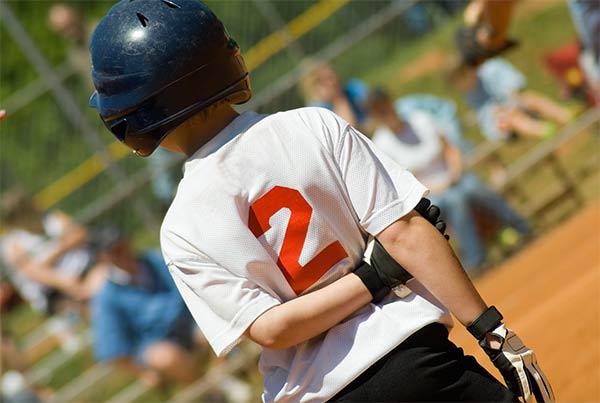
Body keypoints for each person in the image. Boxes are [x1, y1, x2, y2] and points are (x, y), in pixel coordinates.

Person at [88, 1, 554, 402]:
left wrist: (376, 275)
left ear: (133, 116)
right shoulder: (312, 126)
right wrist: (494, 336)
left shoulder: (180, 226)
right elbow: (408, 234)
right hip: (419, 361)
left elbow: (271, 329)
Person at [366, 88, 531, 273]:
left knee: (475, 188)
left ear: (392, 103)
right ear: (374, 116)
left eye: (386, 107)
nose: (386, 113)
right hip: (426, 194)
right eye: (379, 111)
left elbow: (449, 147)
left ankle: (523, 229)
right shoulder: (381, 143)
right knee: (456, 201)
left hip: (455, 177)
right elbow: (402, 181)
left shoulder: (419, 119)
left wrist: (455, 171)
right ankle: (477, 260)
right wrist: (438, 186)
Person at [89, 232, 202, 387]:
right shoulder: (107, 297)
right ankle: (212, 394)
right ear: (104, 258)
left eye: (121, 246)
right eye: (113, 251)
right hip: (154, 343)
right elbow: (111, 347)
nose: (121, 253)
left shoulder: (157, 259)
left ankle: (224, 379)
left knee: (208, 330)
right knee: (166, 358)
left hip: (189, 322)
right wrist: (142, 373)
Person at [450, 56, 574, 141]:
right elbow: (485, 115)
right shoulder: (469, 95)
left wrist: (513, 101)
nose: (462, 87)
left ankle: (565, 114)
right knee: (511, 117)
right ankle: (542, 130)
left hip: (514, 105)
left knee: (530, 98)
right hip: (503, 123)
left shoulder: (490, 70)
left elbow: (512, 88)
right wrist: (498, 112)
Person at [300, 62, 369, 129]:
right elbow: (350, 132)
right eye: (326, 80)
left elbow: (375, 110)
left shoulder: (352, 88)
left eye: (333, 75)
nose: (334, 82)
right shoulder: (316, 113)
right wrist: (338, 100)